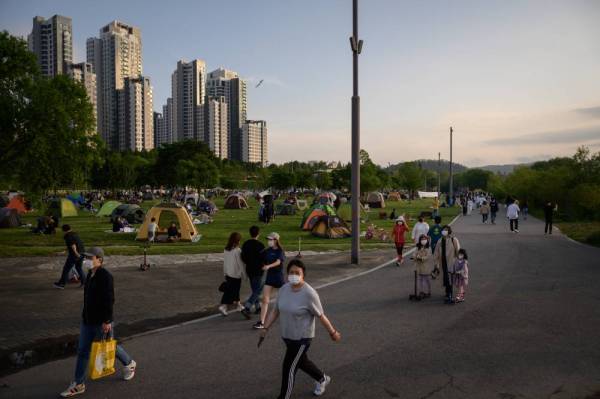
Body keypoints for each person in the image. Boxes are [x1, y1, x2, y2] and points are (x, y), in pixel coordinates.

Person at [59, 247, 136, 397]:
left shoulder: (105, 276)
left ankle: (129, 363)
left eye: (90, 258)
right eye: (86, 257)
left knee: (108, 347)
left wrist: (107, 321)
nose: (86, 260)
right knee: (82, 351)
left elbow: (109, 300)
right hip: (87, 320)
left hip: (102, 321)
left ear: (99, 260)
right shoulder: (90, 274)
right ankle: (79, 383)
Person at [261, 259, 341, 398]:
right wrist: (265, 327)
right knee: (302, 362)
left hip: (302, 338)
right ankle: (322, 379)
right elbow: (275, 311)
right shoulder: (284, 289)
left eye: (297, 273)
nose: (294, 275)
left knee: (289, 368)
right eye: (291, 272)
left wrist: (332, 332)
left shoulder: (309, 293)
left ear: (303, 275)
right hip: (287, 336)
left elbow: (321, 315)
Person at [253, 232, 286, 329]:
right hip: (269, 277)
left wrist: (268, 266)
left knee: (283, 299)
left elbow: (278, 261)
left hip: (278, 277)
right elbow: (260, 257)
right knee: (264, 299)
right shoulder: (267, 251)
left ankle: (288, 316)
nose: (269, 241)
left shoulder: (280, 251)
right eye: (268, 239)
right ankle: (262, 322)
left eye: (271, 239)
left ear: (276, 240)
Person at [219, 232, 247, 317]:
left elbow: (225, 262)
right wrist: (245, 275)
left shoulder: (226, 249)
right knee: (233, 291)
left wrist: (224, 272)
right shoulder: (237, 251)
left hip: (228, 273)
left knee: (232, 290)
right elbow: (241, 264)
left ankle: (238, 305)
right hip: (235, 275)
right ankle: (224, 306)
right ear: (238, 241)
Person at [241, 226, 266, 318]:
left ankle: (258, 307)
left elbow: (243, 257)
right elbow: (264, 258)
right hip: (258, 270)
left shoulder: (246, 244)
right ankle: (247, 307)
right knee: (258, 290)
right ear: (258, 233)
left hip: (249, 269)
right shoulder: (260, 245)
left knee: (255, 288)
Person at [433, 225, 460, 304]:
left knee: (450, 278)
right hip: (443, 263)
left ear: (449, 231)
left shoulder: (453, 240)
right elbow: (436, 252)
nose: (444, 231)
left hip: (451, 262)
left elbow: (458, 251)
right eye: (443, 230)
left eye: (446, 230)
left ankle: (449, 294)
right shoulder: (440, 240)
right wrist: (436, 263)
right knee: (445, 278)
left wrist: (460, 261)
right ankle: (447, 292)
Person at [54, 225, 85, 289]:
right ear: (70, 228)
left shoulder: (68, 236)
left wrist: (76, 253)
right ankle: (85, 283)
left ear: (63, 230)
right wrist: (64, 251)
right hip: (82, 253)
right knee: (79, 268)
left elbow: (73, 245)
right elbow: (72, 245)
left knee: (66, 269)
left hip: (75, 255)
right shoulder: (75, 234)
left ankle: (61, 284)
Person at [414, 234, 432, 299]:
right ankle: (421, 291)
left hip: (426, 265)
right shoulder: (418, 247)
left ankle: (428, 291)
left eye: (424, 239)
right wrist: (416, 257)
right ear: (420, 240)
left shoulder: (429, 247)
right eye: (422, 239)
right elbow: (414, 254)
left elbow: (428, 256)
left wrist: (421, 258)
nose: (423, 241)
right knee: (420, 279)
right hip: (419, 265)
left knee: (427, 279)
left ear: (427, 240)